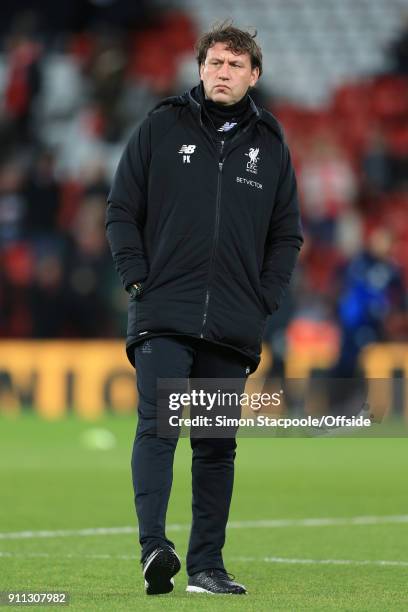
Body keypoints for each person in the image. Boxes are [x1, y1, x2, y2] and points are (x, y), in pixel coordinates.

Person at [105, 22, 303, 596]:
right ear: (199, 68)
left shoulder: (271, 144)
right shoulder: (161, 126)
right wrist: (137, 279)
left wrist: (263, 299)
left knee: (216, 447)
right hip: (164, 311)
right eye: (215, 62)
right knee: (160, 428)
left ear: (254, 75)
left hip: (231, 325)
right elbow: (121, 207)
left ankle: (208, 568)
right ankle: (154, 548)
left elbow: (286, 235)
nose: (223, 72)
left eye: (235, 65)